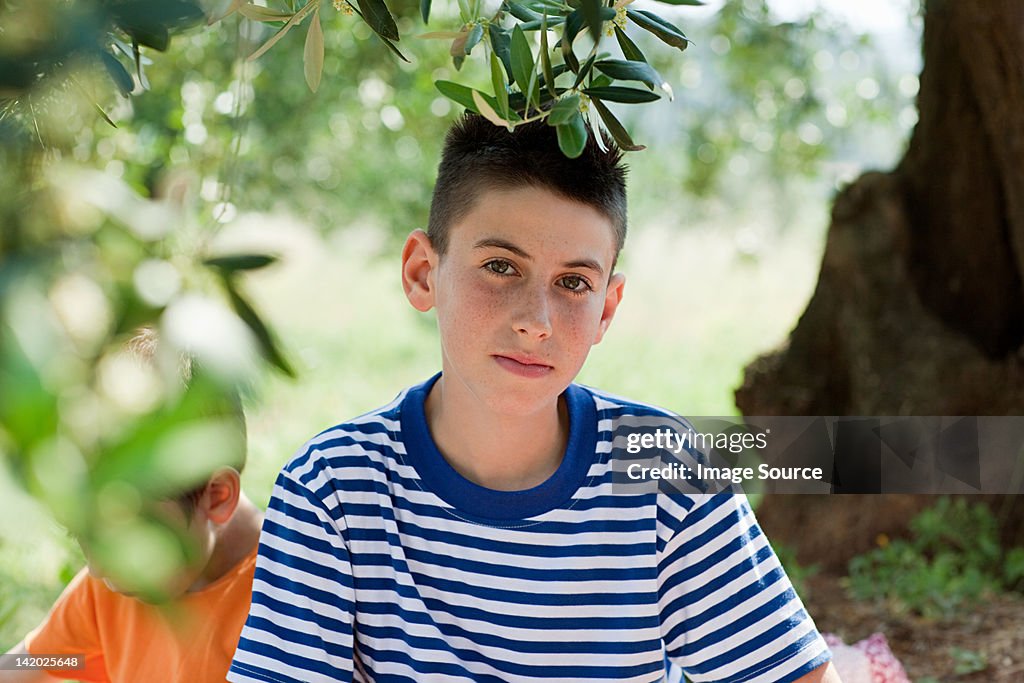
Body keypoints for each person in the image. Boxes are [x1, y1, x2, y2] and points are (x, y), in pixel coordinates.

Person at [228, 114, 841, 682]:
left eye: (573, 283)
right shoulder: (333, 486)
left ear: (606, 308)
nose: (537, 321)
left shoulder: (662, 472)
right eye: (501, 267)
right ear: (422, 272)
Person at [0, 329, 263, 683]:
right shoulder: (113, 586)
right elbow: (43, 662)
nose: (96, 569)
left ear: (216, 496)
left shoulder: (286, 598)